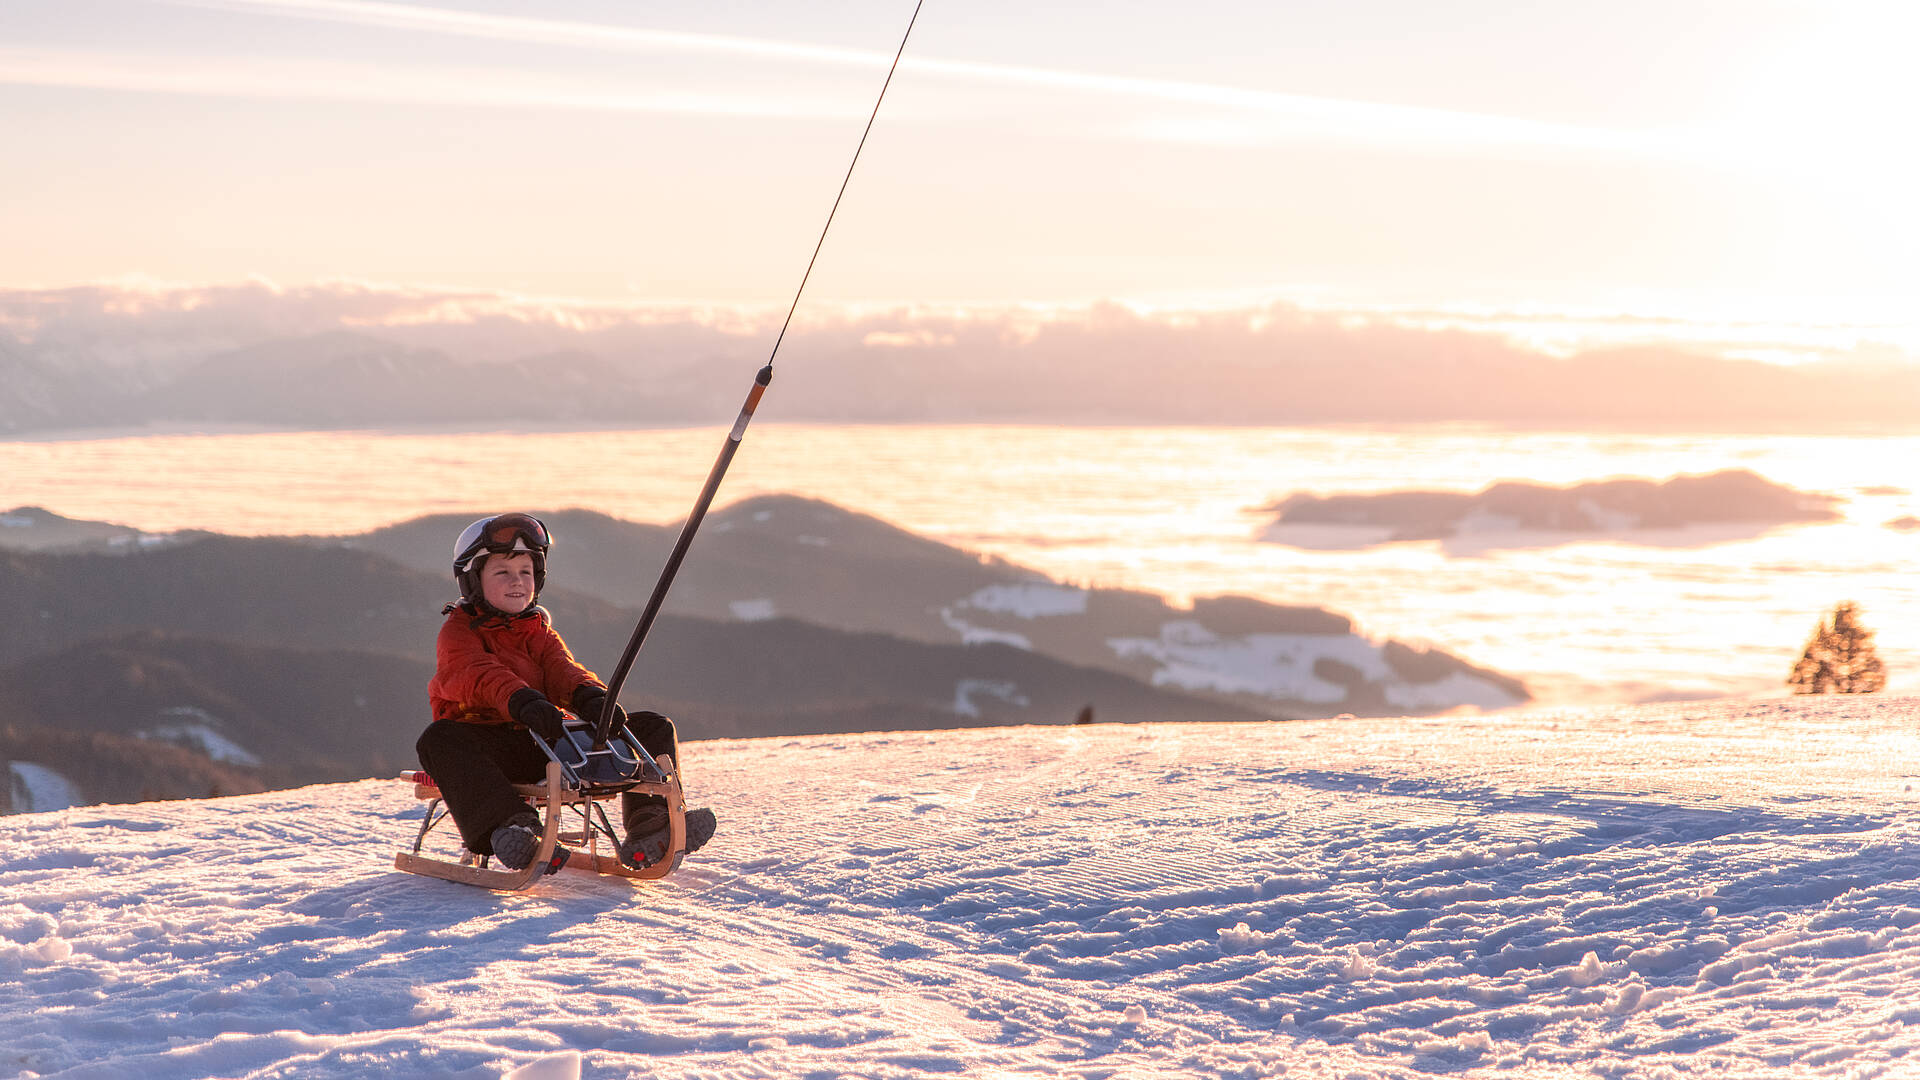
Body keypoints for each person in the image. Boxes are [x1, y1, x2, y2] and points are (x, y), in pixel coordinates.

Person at [415, 512, 717, 871]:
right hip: (493, 749)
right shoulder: (459, 631)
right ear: (473, 580)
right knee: (439, 739)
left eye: (525, 572)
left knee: (651, 726)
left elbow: (562, 669)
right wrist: (520, 698)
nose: (517, 582)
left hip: (547, 739)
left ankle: (652, 825)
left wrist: (590, 696)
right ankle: (516, 830)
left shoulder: (538, 630)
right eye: (503, 573)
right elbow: (476, 673)